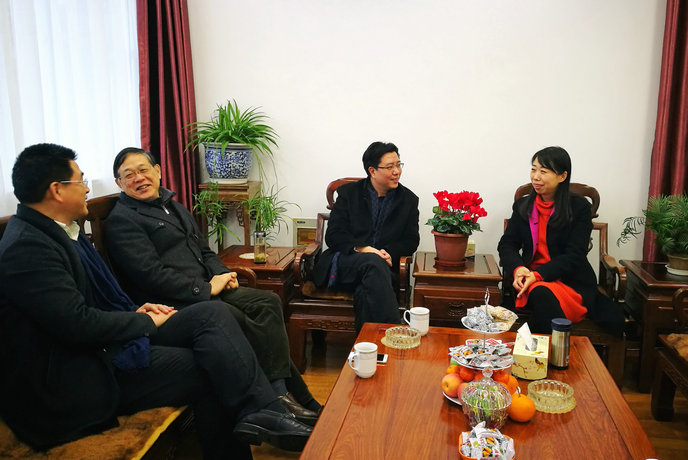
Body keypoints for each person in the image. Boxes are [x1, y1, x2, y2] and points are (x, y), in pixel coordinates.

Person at [0, 143, 312, 458]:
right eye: (81, 180)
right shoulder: (28, 248)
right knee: (213, 361)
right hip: (73, 377)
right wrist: (142, 320)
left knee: (214, 317)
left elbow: (93, 302)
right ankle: (264, 410)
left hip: (101, 345)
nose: (86, 188)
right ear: (57, 190)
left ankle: (265, 409)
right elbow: (77, 324)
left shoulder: (59, 229)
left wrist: (135, 311)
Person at [103, 148, 320, 425]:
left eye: (143, 170)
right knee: (245, 322)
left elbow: (204, 251)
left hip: (204, 290)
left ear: (157, 171)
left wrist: (223, 273)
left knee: (267, 302)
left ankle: (283, 393)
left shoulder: (172, 205)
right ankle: (293, 400)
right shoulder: (122, 220)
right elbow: (150, 276)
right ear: (119, 183)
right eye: (129, 175)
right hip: (173, 302)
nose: (138, 178)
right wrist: (205, 289)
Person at [497, 146, 623, 334]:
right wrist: (518, 268)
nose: (535, 177)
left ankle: (535, 345)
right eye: (533, 169)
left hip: (569, 280)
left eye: (543, 171)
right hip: (529, 279)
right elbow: (507, 244)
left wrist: (538, 275)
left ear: (562, 176)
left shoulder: (579, 208)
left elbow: (575, 255)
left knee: (540, 294)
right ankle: (558, 348)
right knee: (539, 292)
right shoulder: (523, 206)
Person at [312, 141, 420, 332]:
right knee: (372, 261)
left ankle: (366, 347)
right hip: (345, 264)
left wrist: (388, 253)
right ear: (372, 171)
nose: (397, 171)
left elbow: (411, 240)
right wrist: (363, 249)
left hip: (383, 270)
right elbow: (334, 235)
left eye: (398, 165)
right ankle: (395, 333)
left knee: (365, 291)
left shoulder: (408, 200)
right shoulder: (349, 193)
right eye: (390, 167)